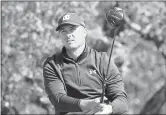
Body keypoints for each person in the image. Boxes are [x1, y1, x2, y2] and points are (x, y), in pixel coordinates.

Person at [43, 13, 128, 114]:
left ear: (84, 32)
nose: (68, 35)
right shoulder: (52, 64)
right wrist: (90, 104)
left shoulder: (103, 60)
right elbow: (58, 100)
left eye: (72, 29)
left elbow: (121, 100)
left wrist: (109, 109)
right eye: (63, 31)